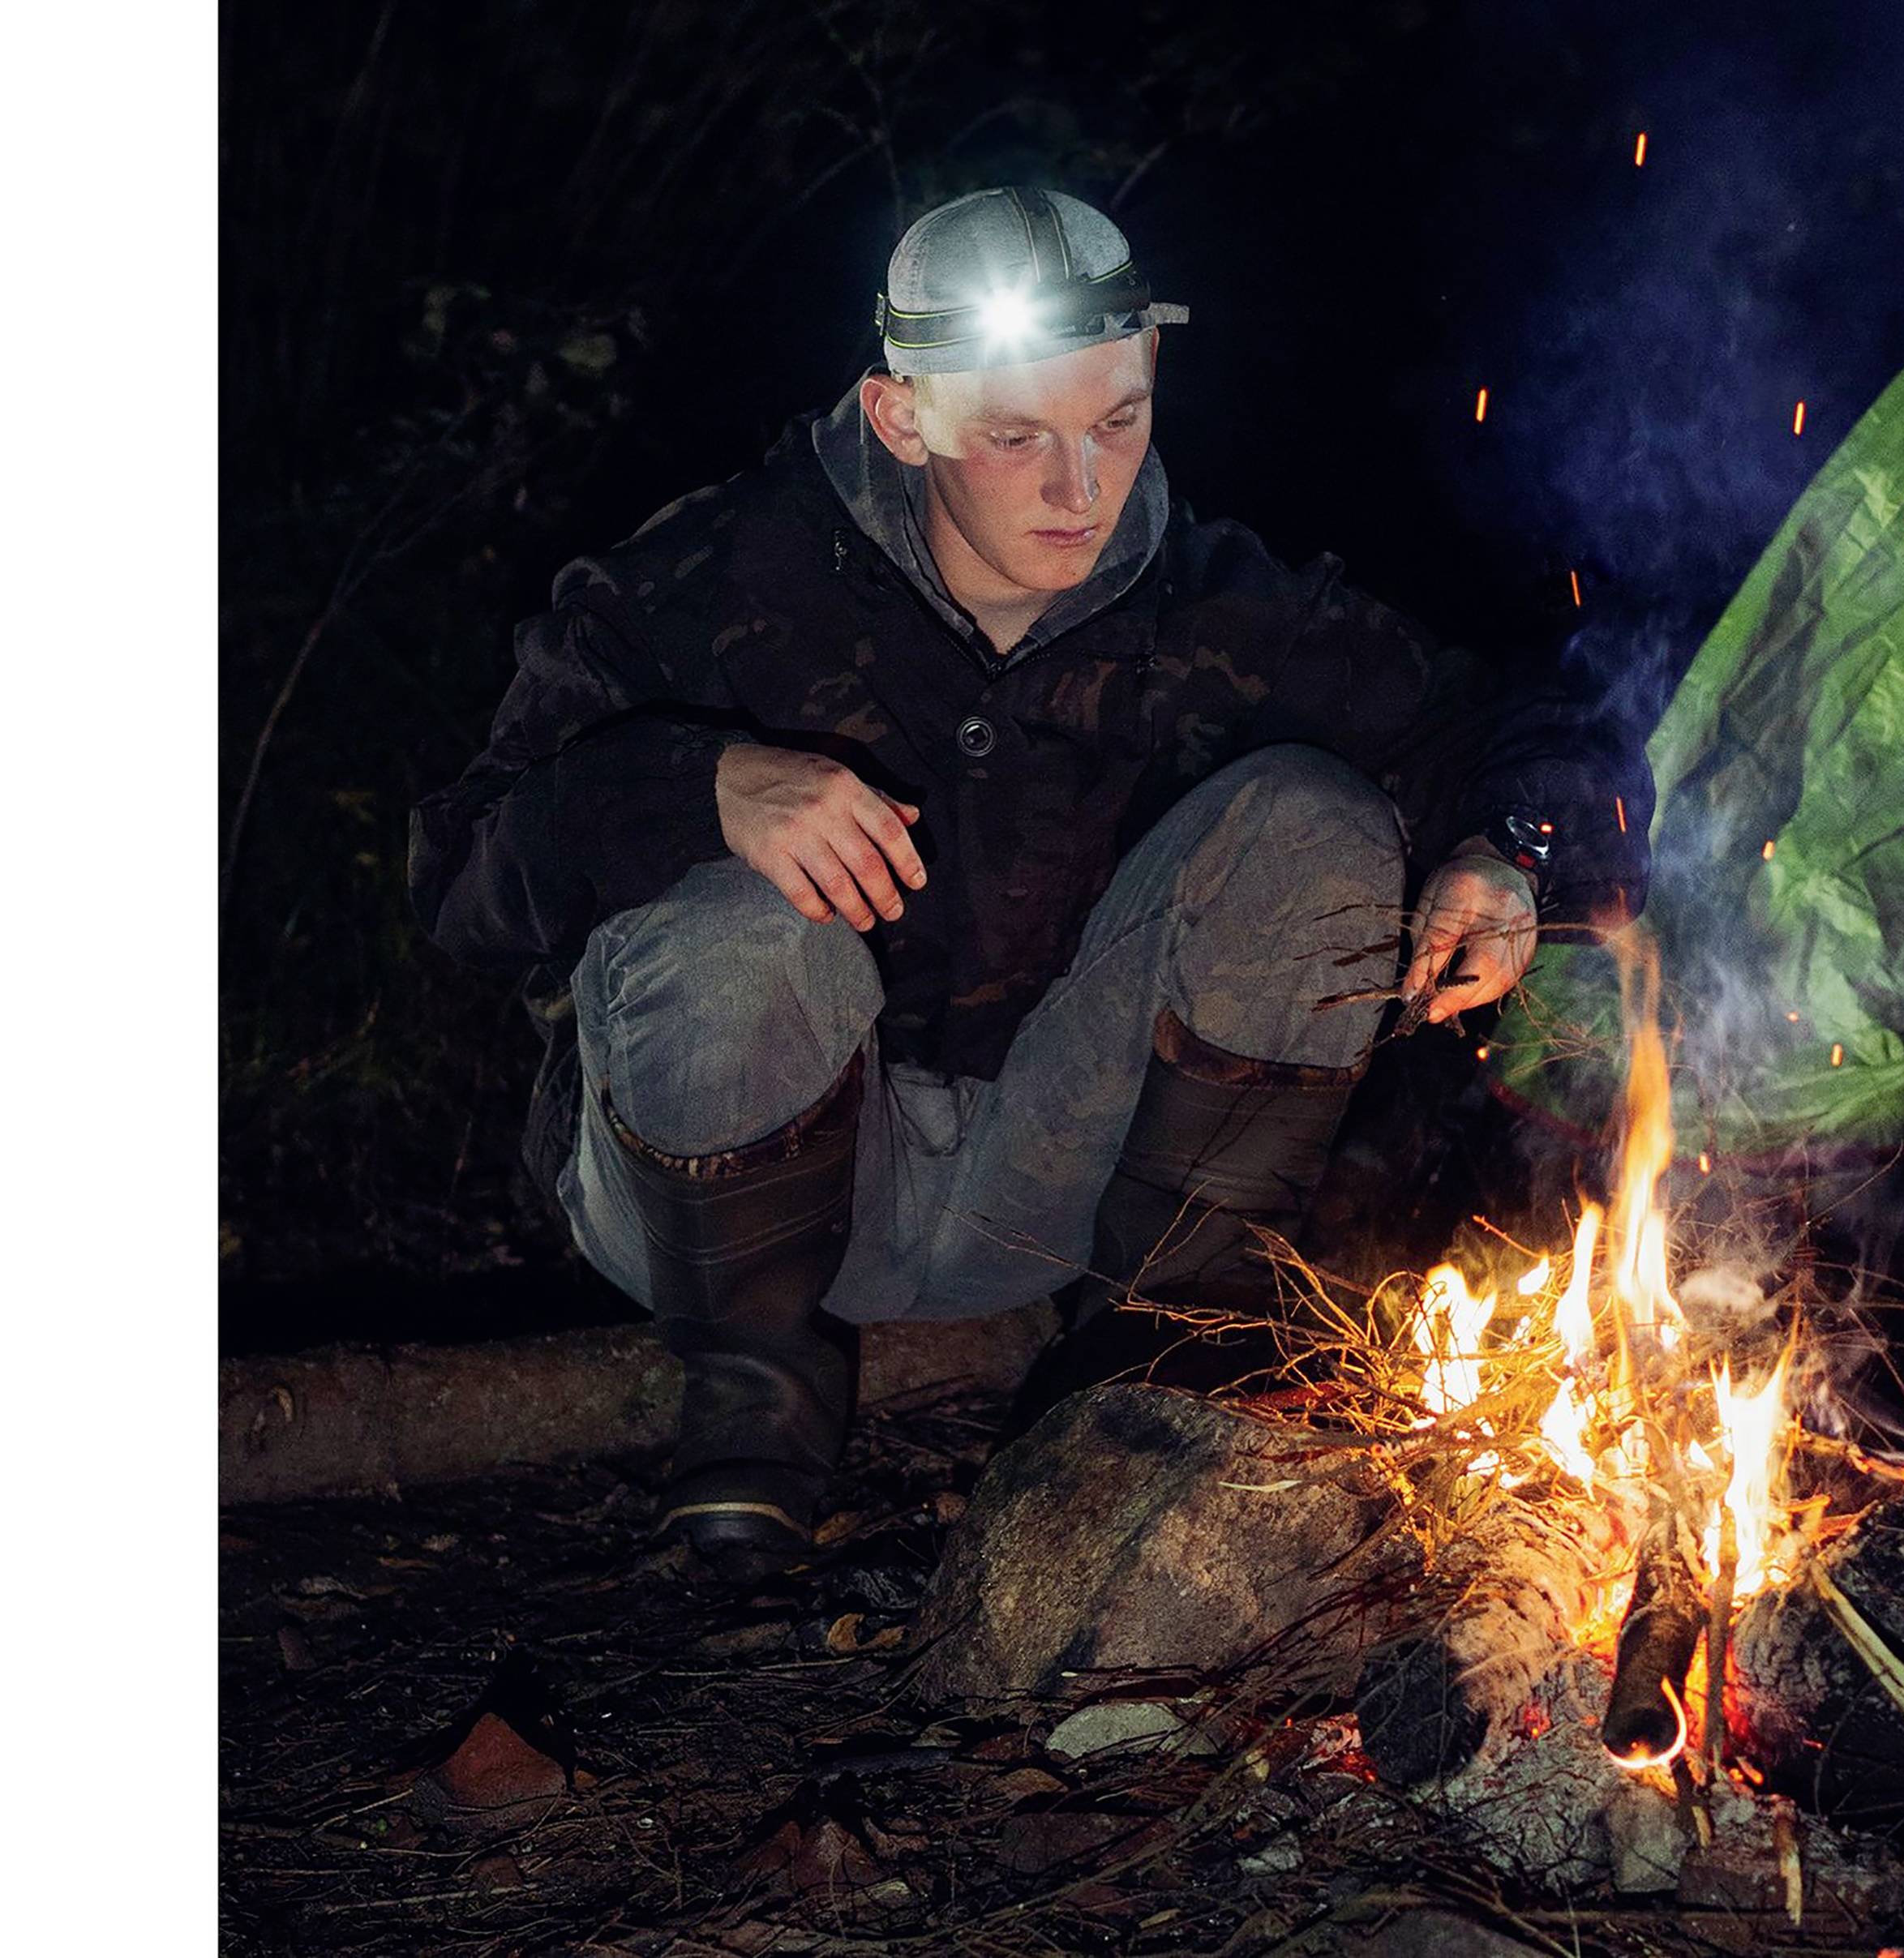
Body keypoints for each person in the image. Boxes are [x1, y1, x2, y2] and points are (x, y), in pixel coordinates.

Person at [410, 186, 1653, 1579]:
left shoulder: (1216, 599)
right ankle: (752, 1401)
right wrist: (700, 783)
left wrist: (1509, 848)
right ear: (901, 417)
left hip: (1045, 1190)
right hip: (706, 1212)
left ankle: (1162, 1359)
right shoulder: (707, 581)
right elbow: (460, 873)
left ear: (1152, 373)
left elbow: (1511, 730)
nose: (1081, 489)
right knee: (743, 914)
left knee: (1314, 818)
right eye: (1016, 440)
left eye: (1116, 422)